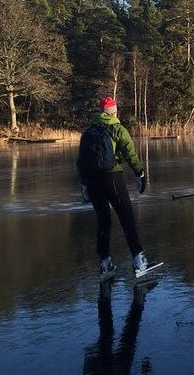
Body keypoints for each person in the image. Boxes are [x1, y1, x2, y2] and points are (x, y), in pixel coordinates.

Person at [77, 96, 159, 279]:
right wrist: (140, 173)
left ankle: (105, 264)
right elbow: (130, 152)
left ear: (100, 112)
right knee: (127, 218)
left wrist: (83, 186)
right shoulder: (117, 128)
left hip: (92, 180)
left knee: (103, 222)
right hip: (112, 177)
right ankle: (139, 261)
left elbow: (80, 161)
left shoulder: (88, 130)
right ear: (114, 112)